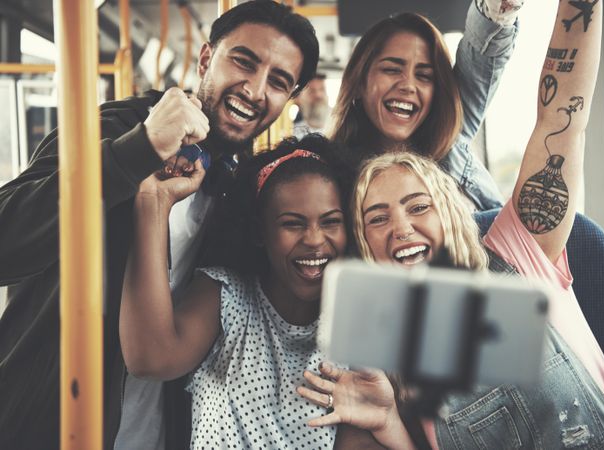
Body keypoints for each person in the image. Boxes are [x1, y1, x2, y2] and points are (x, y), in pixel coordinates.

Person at [300, 1, 604, 448]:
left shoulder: (518, 253)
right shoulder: (385, 361)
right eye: (378, 217)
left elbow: (562, 119)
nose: (401, 227)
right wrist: (388, 423)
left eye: (418, 206)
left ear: (451, 210)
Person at [0, 1, 318, 448]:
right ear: (206, 59)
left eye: (279, 81)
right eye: (243, 61)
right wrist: (140, 150)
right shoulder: (113, 130)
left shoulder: (240, 187)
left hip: (151, 432)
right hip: (45, 420)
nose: (255, 88)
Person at [120, 135, 350, 448]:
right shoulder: (227, 296)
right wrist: (153, 200)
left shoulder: (354, 327)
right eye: (293, 224)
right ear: (259, 231)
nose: (314, 239)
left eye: (331, 222)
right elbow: (150, 357)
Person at [329, 0, 523, 211]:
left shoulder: (450, 144)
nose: (408, 85)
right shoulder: (331, 177)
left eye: (424, 76)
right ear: (359, 83)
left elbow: (482, 54)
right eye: (392, 70)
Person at [294, 73, 331, 138]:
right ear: (299, 98)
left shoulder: (340, 123)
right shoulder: (294, 131)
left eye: (322, 89)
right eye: (312, 91)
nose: (318, 95)